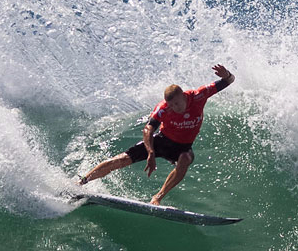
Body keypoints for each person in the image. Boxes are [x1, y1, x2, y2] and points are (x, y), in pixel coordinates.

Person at [77, 64, 235, 205]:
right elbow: (148, 129)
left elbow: (230, 80)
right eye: (171, 105)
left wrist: (226, 74)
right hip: (161, 141)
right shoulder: (163, 108)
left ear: (183, 95)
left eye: (177, 103)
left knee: (185, 159)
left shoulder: (198, 95)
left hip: (183, 148)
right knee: (122, 159)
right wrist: (150, 152)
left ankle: (157, 197)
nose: (174, 108)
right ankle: (82, 182)